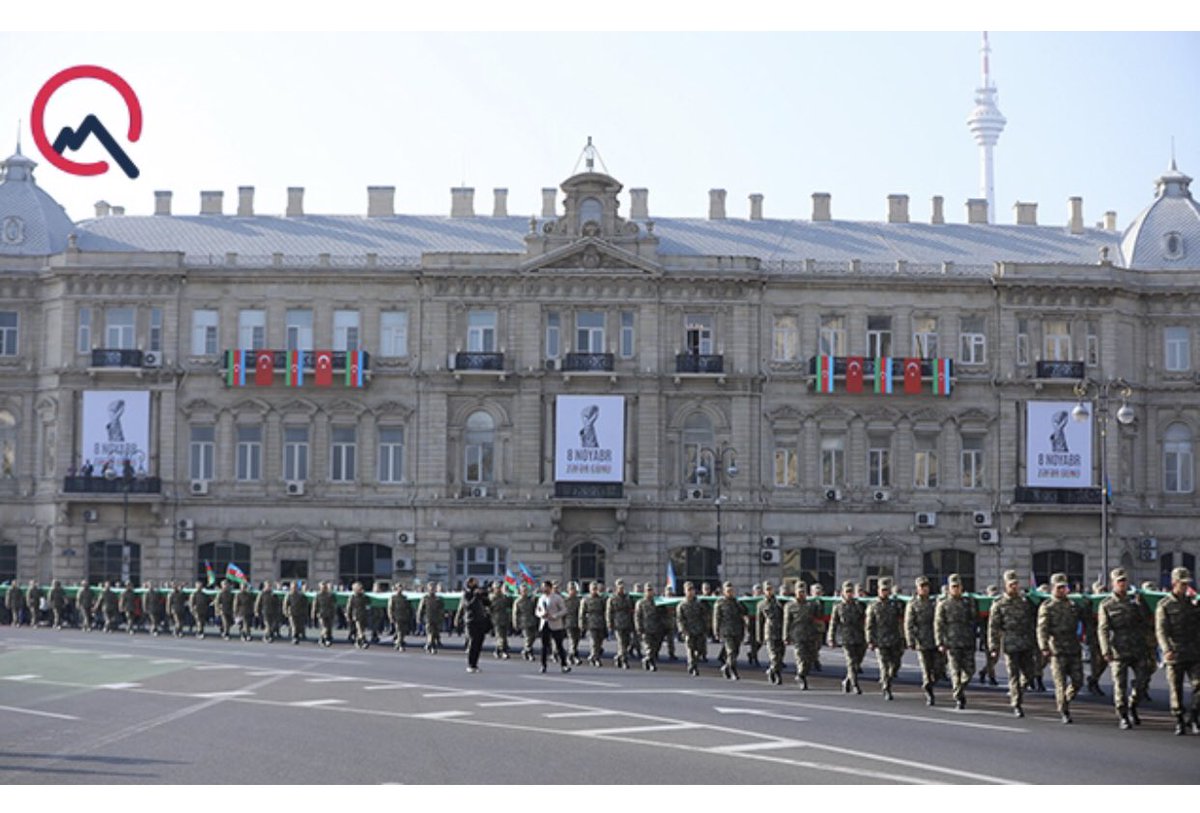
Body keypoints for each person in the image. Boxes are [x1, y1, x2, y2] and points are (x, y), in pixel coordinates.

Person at [1097, 567, 1149, 729]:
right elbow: (1103, 629)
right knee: (1120, 684)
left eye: (1124, 581)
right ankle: (1123, 715)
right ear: (1113, 583)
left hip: (1137, 648)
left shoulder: (1134, 601)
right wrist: (1105, 650)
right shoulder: (1107, 604)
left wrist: (1141, 605)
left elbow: (1146, 621)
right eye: (1119, 581)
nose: (1122, 584)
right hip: (1118, 649)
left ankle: (1133, 704)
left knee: (1143, 681)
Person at [987, 570, 1039, 718]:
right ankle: (1016, 704)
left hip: (1026, 643)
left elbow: (1032, 621)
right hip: (1010, 644)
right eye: (1011, 584)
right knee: (1013, 675)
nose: (1014, 587)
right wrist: (994, 647)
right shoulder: (999, 604)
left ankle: (1018, 691)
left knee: (1030, 674)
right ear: (1006, 585)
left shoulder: (1024, 602)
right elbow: (993, 627)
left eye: (1016, 584)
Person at [1155, 566, 1200, 735]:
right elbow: (1161, 630)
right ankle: (1179, 719)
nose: (1185, 587)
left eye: (1187, 583)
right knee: (1176, 688)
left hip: (1194, 652)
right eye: (1182, 584)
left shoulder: (1193, 604)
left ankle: (1194, 716)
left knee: (1198, 686)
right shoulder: (1164, 605)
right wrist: (1166, 649)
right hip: (1175, 652)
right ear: (1174, 583)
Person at [1038, 572, 1087, 724]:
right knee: (1060, 683)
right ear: (1053, 588)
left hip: (1073, 647)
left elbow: (1083, 617)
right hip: (1057, 649)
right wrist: (1044, 647)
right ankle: (1064, 710)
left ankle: (1066, 698)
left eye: (1064, 587)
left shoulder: (1072, 605)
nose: (1062, 590)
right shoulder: (1047, 607)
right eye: (1059, 588)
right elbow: (1042, 629)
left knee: (1078, 681)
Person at [935, 573, 977, 710]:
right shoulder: (944, 604)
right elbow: (939, 624)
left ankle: (960, 689)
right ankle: (959, 697)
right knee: (955, 671)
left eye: (958, 586)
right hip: (951, 642)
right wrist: (940, 642)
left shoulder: (967, 602)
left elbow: (973, 619)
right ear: (949, 588)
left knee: (970, 671)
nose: (956, 589)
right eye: (953, 586)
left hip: (967, 641)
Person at [865, 577, 904, 700]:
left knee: (896, 665)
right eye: (882, 590)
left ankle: (888, 679)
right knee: (884, 666)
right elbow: (869, 625)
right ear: (878, 590)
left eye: (886, 590)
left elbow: (902, 617)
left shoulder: (894, 604)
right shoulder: (873, 605)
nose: (884, 592)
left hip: (894, 639)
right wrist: (870, 640)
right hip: (880, 640)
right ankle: (886, 688)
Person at [905, 575, 939, 705]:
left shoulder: (934, 602)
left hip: (935, 639)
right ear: (917, 588)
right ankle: (929, 691)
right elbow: (909, 624)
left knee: (939, 669)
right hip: (922, 640)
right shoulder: (913, 604)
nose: (924, 589)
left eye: (926, 586)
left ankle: (931, 682)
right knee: (926, 669)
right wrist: (911, 641)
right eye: (922, 587)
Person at [828, 580, 866, 694]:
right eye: (847, 591)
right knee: (851, 661)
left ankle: (847, 680)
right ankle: (855, 684)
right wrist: (831, 638)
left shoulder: (859, 605)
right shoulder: (838, 607)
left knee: (857, 662)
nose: (849, 594)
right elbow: (833, 623)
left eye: (851, 591)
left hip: (859, 637)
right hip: (846, 637)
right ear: (843, 593)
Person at [784, 580, 819, 689]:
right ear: (795, 592)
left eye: (803, 592)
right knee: (801, 658)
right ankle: (801, 676)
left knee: (810, 658)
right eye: (799, 592)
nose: (801, 594)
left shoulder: (811, 605)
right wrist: (785, 636)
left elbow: (818, 615)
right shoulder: (790, 606)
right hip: (797, 635)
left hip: (810, 634)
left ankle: (802, 673)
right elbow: (787, 622)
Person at [535, 580, 571, 674]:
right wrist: (541, 614)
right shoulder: (541, 598)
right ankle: (543, 665)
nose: (544, 589)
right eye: (543, 587)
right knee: (544, 646)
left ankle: (564, 665)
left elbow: (564, 610)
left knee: (559, 646)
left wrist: (554, 616)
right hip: (544, 624)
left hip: (555, 624)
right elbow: (537, 610)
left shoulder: (557, 598)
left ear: (550, 588)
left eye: (545, 587)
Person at [456, 577, 491, 672]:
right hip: (471, 621)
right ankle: (470, 664)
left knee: (479, 643)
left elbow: (488, 603)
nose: (476, 584)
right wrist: (475, 596)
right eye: (474, 582)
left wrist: (484, 595)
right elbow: (468, 606)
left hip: (480, 621)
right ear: (469, 583)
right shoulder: (466, 594)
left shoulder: (478, 593)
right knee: (473, 643)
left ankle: (475, 664)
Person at [713, 581, 745, 680]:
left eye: (731, 590)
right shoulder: (720, 603)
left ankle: (726, 667)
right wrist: (716, 632)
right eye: (728, 591)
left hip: (737, 631)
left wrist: (740, 603)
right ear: (724, 591)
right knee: (731, 652)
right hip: (726, 631)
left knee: (736, 652)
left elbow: (744, 612)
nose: (730, 592)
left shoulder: (736, 602)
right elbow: (716, 618)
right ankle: (733, 671)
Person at [757, 580, 786, 685]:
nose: (769, 591)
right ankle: (774, 673)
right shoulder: (761, 604)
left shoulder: (780, 602)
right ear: (764, 591)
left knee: (780, 656)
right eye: (767, 589)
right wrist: (759, 637)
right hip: (769, 633)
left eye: (771, 589)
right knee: (774, 657)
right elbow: (759, 622)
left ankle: (773, 671)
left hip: (780, 632)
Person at [677, 581, 708, 677]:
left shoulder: (699, 604)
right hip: (688, 631)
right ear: (685, 591)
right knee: (690, 649)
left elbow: (704, 616)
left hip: (699, 630)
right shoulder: (682, 605)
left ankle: (694, 663)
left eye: (692, 590)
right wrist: (683, 630)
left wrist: (705, 628)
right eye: (688, 590)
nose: (691, 592)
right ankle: (693, 666)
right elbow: (680, 619)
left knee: (699, 650)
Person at [634, 584, 666, 671]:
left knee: (655, 648)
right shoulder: (640, 603)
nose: (650, 592)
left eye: (651, 590)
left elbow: (662, 614)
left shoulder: (658, 602)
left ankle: (647, 659)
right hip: (646, 628)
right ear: (645, 592)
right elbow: (637, 616)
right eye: (648, 590)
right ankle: (652, 663)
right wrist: (639, 628)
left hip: (656, 628)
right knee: (649, 648)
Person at [605, 579, 635, 669]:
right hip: (618, 623)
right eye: (619, 587)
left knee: (627, 642)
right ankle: (624, 661)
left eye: (622, 587)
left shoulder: (628, 597)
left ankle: (618, 657)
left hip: (627, 623)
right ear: (616, 587)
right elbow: (609, 612)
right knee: (621, 643)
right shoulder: (612, 599)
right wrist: (609, 624)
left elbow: (631, 610)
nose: (621, 589)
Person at [579, 581, 608, 667]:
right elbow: (582, 613)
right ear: (590, 589)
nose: (595, 591)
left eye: (596, 589)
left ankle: (593, 656)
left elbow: (605, 611)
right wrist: (582, 624)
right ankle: (595, 658)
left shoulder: (601, 599)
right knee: (594, 641)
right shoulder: (586, 599)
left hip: (600, 622)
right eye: (593, 589)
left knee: (600, 641)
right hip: (591, 622)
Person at [978, 584, 1000, 686]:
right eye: (992, 591)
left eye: (995, 592)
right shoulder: (984, 606)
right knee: (990, 657)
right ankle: (992, 677)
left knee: (995, 658)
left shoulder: (998, 604)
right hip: (987, 634)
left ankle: (983, 672)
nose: (994, 593)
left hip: (998, 634)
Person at [512, 583, 538, 661]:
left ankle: (525, 650)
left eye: (526, 590)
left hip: (532, 621)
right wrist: (515, 624)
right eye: (523, 591)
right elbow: (515, 614)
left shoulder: (530, 599)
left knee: (533, 637)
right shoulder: (518, 601)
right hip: (523, 622)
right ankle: (529, 652)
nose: (525, 592)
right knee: (528, 638)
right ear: (520, 591)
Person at [417, 583, 444, 653]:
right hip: (428, 619)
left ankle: (429, 645)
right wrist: (419, 618)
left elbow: (441, 609)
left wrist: (441, 618)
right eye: (431, 588)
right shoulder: (425, 598)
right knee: (430, 633)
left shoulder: (438, 599)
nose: (432, 589)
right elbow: (420, 609)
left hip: (436, 619)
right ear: (428, 588)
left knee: (435, 633)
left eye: (433, 588)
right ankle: (432, 647)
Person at [489, 582, 513, 659]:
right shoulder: (491, 597)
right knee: (500, 636)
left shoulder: (504, 597)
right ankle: (503, 651)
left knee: (504, 636)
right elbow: (488, 608)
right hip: (496, 619)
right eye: (497, 588)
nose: (498, 590)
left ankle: (497, 650)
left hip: (504, 619)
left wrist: (507, 594)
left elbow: (510, 603)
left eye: (499, 588)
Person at [387, 583, 413, 651]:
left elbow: (408, 607)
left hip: (404, 617)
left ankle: (398, 643)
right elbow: (390, 608)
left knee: (403, 631)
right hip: (397, 617)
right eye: (398, 587)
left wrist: (408, 615)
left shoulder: (405, 598)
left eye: (401, 587)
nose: (400, 589)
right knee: (399, 631)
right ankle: (400, 644)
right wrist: (391, 617)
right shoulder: (393, 598)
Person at [346, 582, 371, 649]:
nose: (360, 589)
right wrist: (348, 616)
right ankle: (364, 641)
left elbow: (368, 603)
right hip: (356, 616)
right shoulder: (352, 597)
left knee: (361, 630)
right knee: (360, 630)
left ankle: (358, 642)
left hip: (364, 615)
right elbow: (349, 608)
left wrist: (364, 595)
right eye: (359, 587)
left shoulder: (364, 597)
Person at [563, 581, 583, 666]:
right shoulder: (565, 600)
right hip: (569, 622)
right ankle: (572, 656)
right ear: (568, 590)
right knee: (572, 640)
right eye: (571, 589)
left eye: (574, 589)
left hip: (577, 622)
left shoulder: (579, 600)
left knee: (576, 640)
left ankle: (572, 655)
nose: (573, 591)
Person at [312, 581, 337, 647]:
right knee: (324, 627)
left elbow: (334, 605)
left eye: (324, 587)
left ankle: (323, 638)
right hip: (321, 614)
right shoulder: (318, 595)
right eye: (322, 587)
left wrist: (334, 613)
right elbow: (315, 605)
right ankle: (325, 639)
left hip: (329, 613)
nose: (323, 588)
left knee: (328, 627)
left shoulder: (331, 595)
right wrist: (313, 613)